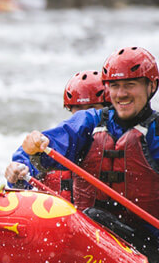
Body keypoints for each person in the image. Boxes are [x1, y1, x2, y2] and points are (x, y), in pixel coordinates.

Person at [4, 47, 159, 263]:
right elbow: (52, 144)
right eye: (115, 86)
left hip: (149, 251)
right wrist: (33, 149)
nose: (121, 94)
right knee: (82, 221)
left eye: (130, 85)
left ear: (151, 86)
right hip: (89, 240)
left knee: (91, 218)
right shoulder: (89, 123)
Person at [41, 70, 110, 201]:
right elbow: (29, 159)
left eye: (92, 107)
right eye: (78, 108)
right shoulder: (62, 139)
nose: (84, 115)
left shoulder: (118, 139)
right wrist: (18, 169)